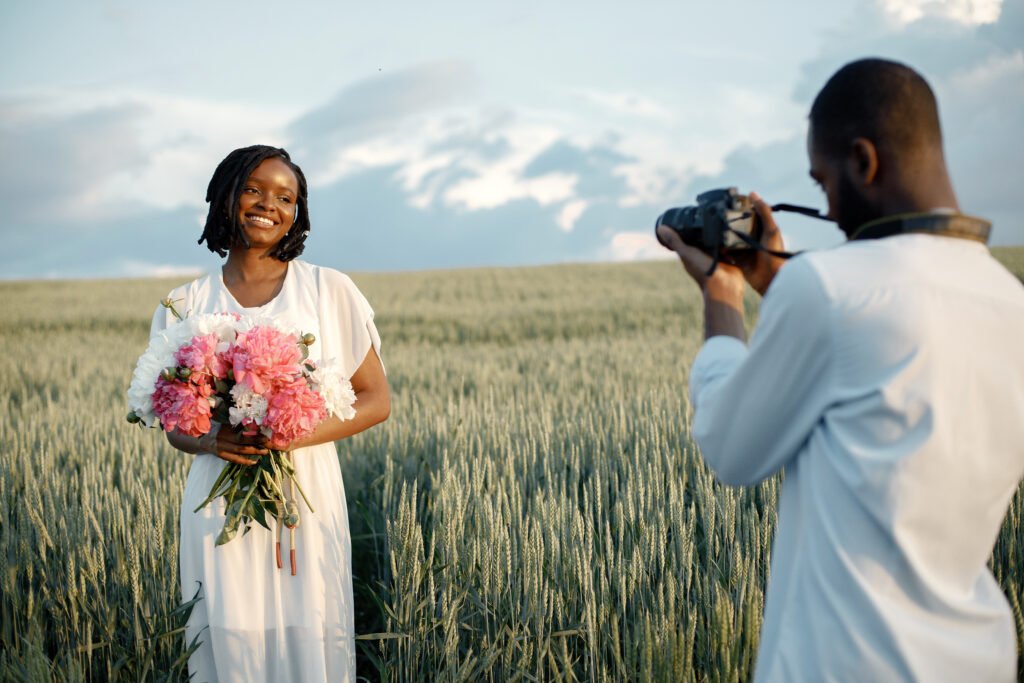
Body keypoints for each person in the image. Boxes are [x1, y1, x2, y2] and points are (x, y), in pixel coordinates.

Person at [657, 58, 1024, 681]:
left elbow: (729, 448)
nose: (826, 207)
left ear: (864, 162)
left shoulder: (830, 291)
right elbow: (874, 350)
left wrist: (722, 295)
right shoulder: (1008, 302)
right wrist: (774, 277)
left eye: (822, 183)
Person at [151, 144, 390, 682]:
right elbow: (173, 423)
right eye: (255, 188)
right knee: (228, 634)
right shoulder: (184, 303)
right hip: (216, 502)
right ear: (226, 194)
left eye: (286, 197)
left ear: (297, 214)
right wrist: (212, 441)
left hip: (305, 496)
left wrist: (288, 436)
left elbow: (376, 399)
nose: (269, 204)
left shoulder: (330, 289)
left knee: (310, 631)